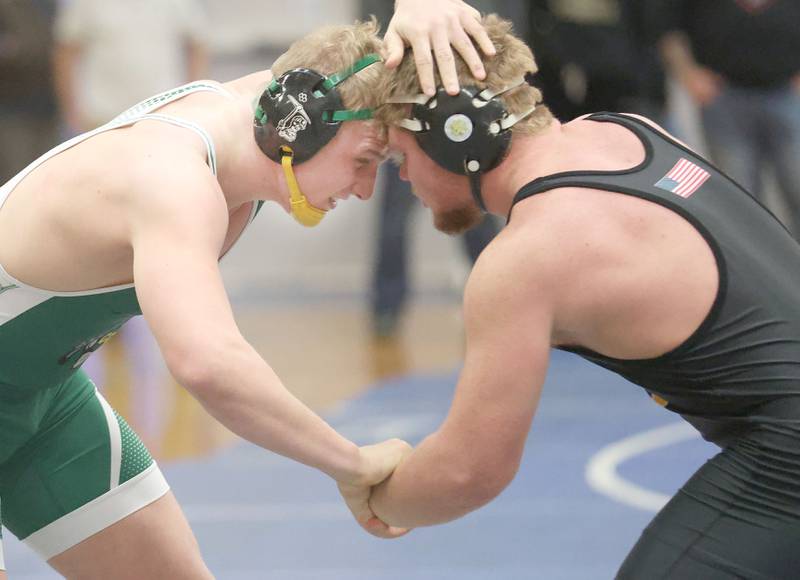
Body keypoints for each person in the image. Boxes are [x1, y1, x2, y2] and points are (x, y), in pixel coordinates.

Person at [0, 1, 496, 576]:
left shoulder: (277, 107)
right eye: (364, 161)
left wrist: (419, 8)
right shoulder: (174, 179)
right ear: (300, 128)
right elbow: (208, 364)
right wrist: (350, 462)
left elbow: (344, 66)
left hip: (43, 402)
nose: (364, 189)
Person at [363, 13, 800, 578]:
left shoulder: (527, 256)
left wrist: (375, 499)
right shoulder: (628, 130)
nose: (401, 178)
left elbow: (469, 472)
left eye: (401, 157)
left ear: (458, 138)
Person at [655, 0, 800, 236]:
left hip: (786, 93)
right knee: (740, 196)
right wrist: (688, 73)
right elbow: (668, 27)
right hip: (724, 96)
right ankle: (753, 266)